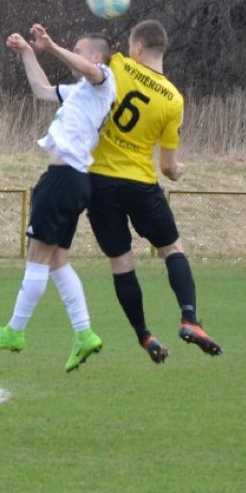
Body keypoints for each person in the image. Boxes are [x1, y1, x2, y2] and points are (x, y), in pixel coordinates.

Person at [0, 24, 115, 372]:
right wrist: (28, 52)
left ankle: (15, 330)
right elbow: (40, 90)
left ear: (95, 56)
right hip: (72, 180)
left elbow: (89, 69)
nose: (76, 54)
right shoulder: (81, 90)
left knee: (37, 258)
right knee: (56, 261)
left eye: (79, 49)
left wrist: (51, 46)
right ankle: (84, 334)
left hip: (64, 178)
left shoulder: (103, 78)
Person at [87, 19, 223, 363]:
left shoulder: (118, 65)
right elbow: (167, 166)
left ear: (135, 49)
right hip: (141, 183)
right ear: (162, 50)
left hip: (100, 182)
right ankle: (190, 319)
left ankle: (144, 335)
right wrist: (177, 172)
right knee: (172, 249)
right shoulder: (174, 99)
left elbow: (90, 70)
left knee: (121, 262)